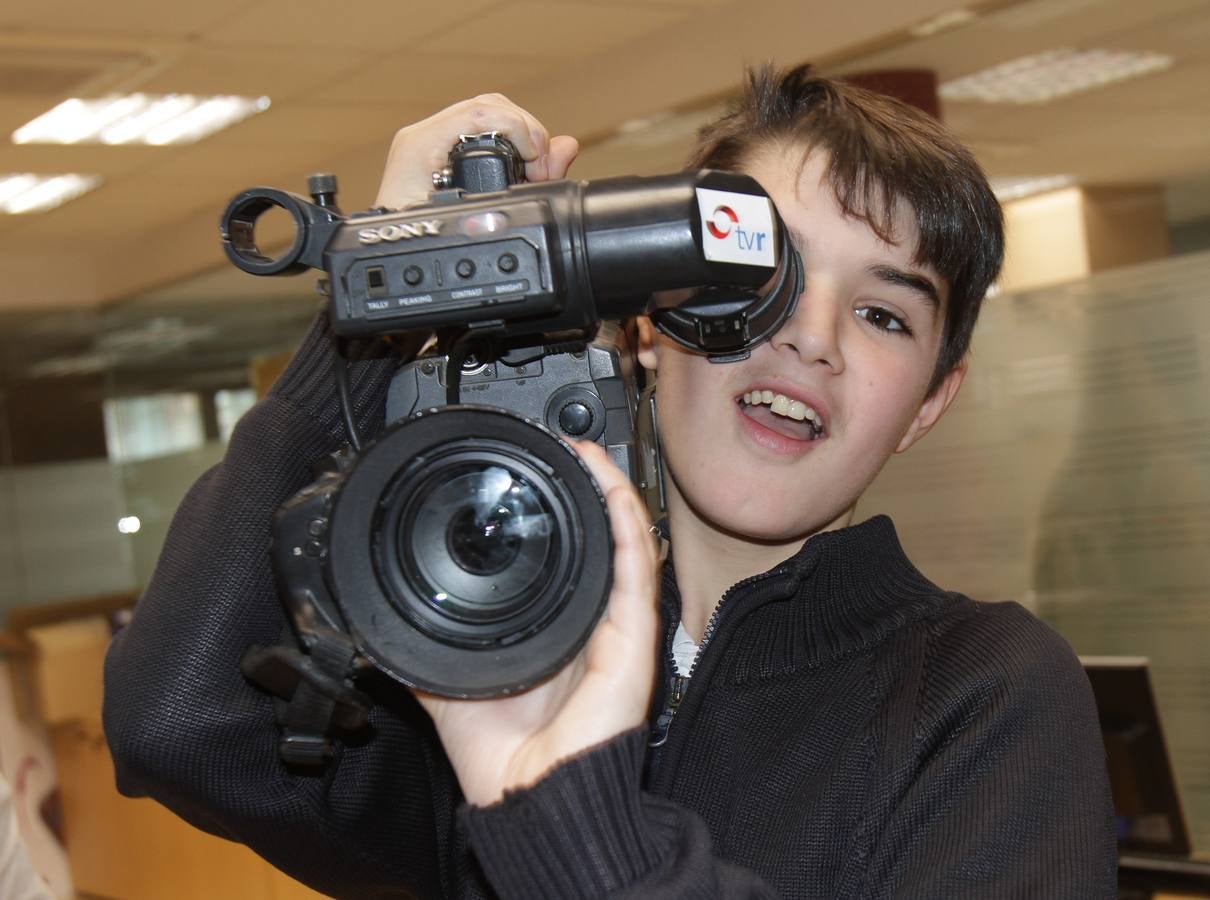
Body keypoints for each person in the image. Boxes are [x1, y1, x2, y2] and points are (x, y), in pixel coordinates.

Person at [103, 65, 1117, 898]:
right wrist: (379, 311)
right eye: (766, 278)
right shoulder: (492, 633)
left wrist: (570, 820)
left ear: (930, 402)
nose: (812, 341)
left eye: (884, 315)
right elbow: (183, 727)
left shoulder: (982, 694)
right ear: (649, 322)